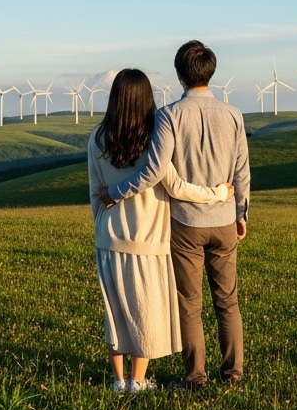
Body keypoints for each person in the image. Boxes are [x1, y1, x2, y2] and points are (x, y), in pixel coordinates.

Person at [101, 40, 250, 388]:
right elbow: (241, 170)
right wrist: (241, 212)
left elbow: (153, 172)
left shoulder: (169, 115)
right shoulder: (233, 115)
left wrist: (115, 192)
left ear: (180, 75)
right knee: (227, 302)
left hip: (185, 223)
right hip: (225, 220)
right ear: (210, 73)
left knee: (190, 304)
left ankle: (195, 378)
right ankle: (234, 376)